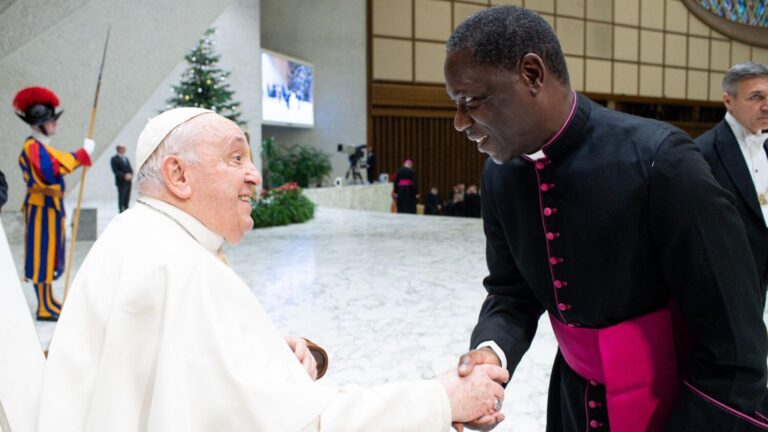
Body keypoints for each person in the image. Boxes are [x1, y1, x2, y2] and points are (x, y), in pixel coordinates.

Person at [37, 108, 508, 432]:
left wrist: (268, 357)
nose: (255, 174)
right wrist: (443, 398)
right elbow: (307, 424)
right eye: (235, 157)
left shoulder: (133, 236)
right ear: (178, 175)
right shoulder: (184, 269)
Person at [444, 6, 768, 431]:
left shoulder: (660, 160)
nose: (459, 122)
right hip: (574, 398)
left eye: (471, 101)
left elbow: (735, 342)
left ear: (532, 74)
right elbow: (511, 292)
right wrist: (492, 351)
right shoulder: (501, 174)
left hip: (677, 404)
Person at [13, 86, 94, 321]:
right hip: (41, 208)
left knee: (49, 255)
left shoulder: (41, 148)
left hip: (50, 208)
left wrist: (80, 155)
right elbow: (51, 171)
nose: (55, 126)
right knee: (40, 255)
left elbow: (58, 160)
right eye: (51, 122)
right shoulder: (32, 148)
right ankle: (44, 306)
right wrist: (81, 154)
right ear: (40, 124)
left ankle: (49, 300)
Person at [696, 62, 768, 306]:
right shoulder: (702, 152)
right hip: (729, 280)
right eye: (756, 97)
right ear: (728, 101)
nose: (766, 106)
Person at [110, 144, 134, 213]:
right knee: (121, 196)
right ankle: (121, 209)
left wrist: (131, 174)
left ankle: (126, 208)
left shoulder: (126, 158)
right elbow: (115, 171)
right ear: (119, 149)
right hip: (121, 181)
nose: (124, 150)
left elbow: (130, 168)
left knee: (127, 196)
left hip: (128, 181)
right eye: (122, 148)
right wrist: (124, 176)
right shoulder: (114, 159)